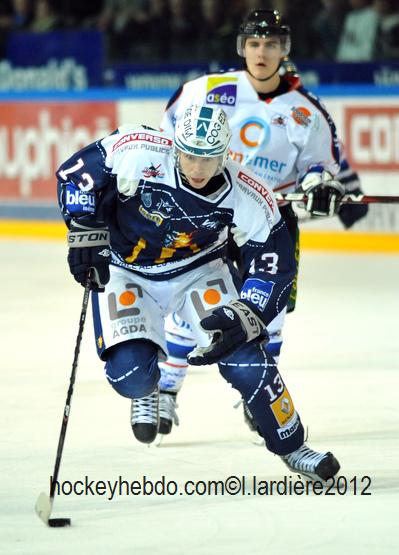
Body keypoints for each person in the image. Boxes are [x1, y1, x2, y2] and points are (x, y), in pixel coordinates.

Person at [56, 103, 340, 481]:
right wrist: (84, 230)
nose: (197, 169)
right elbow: (74, 176)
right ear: (174, 146)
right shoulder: (135, 149)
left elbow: (275, 261)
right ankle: (149, 388)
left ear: (225, 153)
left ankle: (294, 446)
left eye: (208, 158)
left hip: (200, 272)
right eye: (189, 155)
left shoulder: (249, 192)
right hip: (127, 272)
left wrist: (250, 312)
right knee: (130, 376)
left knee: (245, 359)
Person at [145, 8, 368, 439]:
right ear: (241, 47)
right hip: (212, 210)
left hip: (272, 218)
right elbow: (167, 135)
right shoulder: (207, 89)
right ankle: (167, 389)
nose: (261, 52)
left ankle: (257, 393)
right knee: (196, 294)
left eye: (270, 44)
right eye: (253, 43)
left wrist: (320, 184)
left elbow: (320, 167)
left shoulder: (307, 111)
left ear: (284, 49)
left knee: (272, 307)